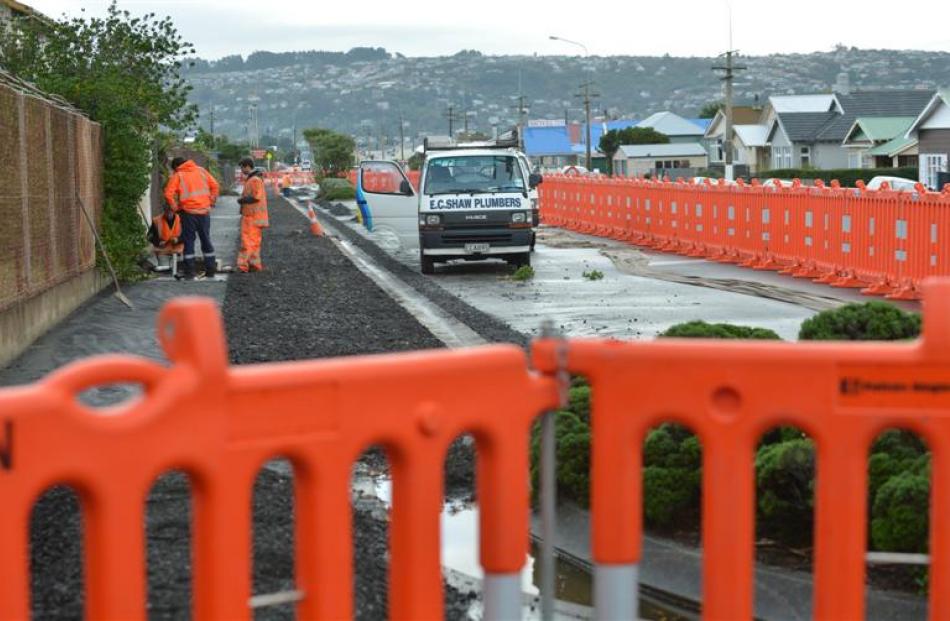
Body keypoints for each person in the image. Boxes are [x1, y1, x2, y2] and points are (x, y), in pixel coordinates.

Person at [163, 157, 219, 279]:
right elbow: (215, 186)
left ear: (177, 166)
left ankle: (190, 272)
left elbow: (168, 194)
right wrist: (211, 201)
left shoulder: (179, 175)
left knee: (189, 241)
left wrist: (175, 207)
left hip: (188, 213)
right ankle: (211, 270)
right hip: (204, 212)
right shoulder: (202, 171)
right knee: (206, 239)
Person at [236, 157, 269, 272]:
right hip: (255, 216)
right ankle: (254, 265)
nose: (241, 170)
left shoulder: (254, 180)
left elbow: (255, 197)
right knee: (254, 242)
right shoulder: (254, 179)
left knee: (247, 241)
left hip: (251, 216)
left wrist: (242, 200)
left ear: (247, 166)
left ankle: (243, 265)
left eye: (242, 167)